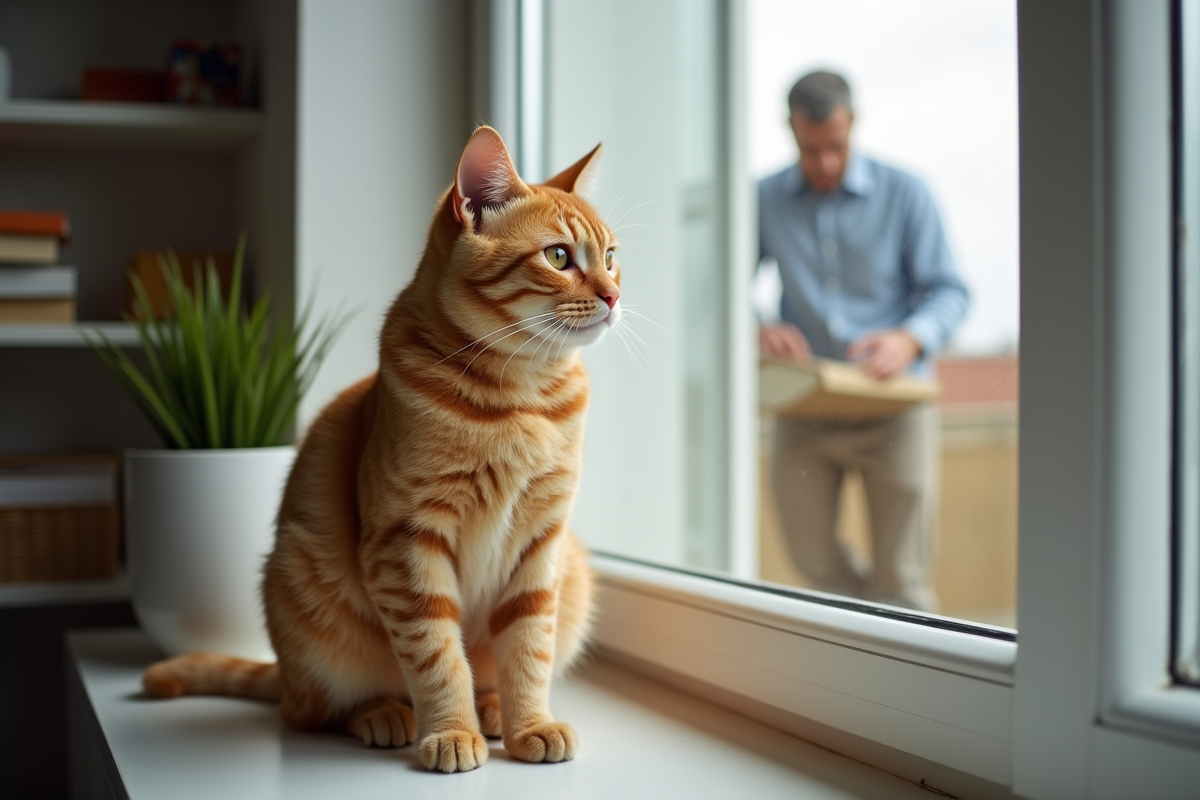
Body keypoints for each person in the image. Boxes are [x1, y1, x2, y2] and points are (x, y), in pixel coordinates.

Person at [758, 70, 969, 611]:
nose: (825, 163)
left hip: (894, 406)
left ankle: (908, 683)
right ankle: (862, 658)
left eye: (836, 146)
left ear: (854, 124)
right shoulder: (764, 199)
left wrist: (910, 338)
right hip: (805, 407)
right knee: (813, 562)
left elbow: (950, 290)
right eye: (810, 149)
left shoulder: (908, 193)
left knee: (903, 580)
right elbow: (712, 285)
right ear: (790, 130)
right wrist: (759, 324)